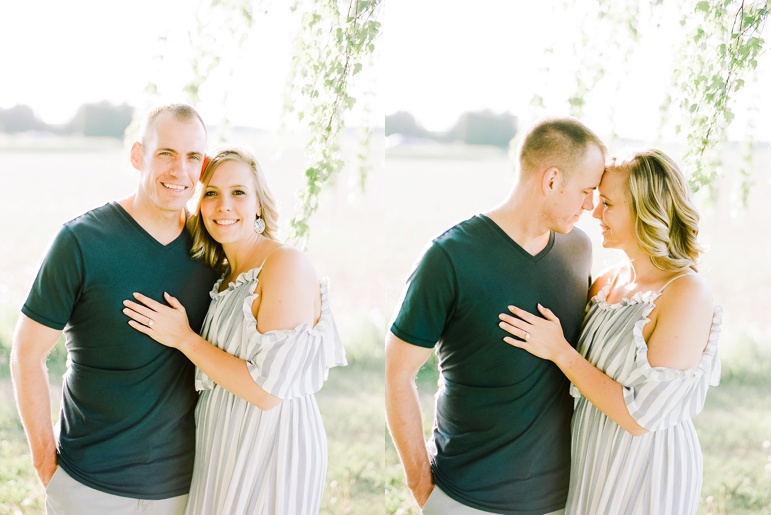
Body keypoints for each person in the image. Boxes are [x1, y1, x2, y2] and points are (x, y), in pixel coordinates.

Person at [386, 117, 607, 514]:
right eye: (586, 191)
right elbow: (397, 373)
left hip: (559, 501)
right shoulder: (449, 258)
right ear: (552, 180)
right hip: (463, 498)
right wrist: (422, 486)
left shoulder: (579, 250)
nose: (591, 206)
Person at [10, 103, 219, 514]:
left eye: (192, 157)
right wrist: (44, 462)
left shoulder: (212, 249)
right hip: (88, 486)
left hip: (183, 490)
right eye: (166, 154)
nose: (180, 171)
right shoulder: (81, 241)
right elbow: (26, 354)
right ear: (138, 155)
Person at [121, 146, 347, 514]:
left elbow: (267, 391)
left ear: (259, 204)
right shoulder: (225, 275)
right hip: (223, 440)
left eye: (238, 192)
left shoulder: (284, 264)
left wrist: (184, 339)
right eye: (211, 193)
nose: (224, 205)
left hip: (272, 446)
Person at [498, 149, 721, 514]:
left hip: (649, 467)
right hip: (592, 454)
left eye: (608, 204)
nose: (595, 212)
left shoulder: (686, 293)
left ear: (646, 211)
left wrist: (559, 350)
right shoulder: (604, 283)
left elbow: (640, 418)